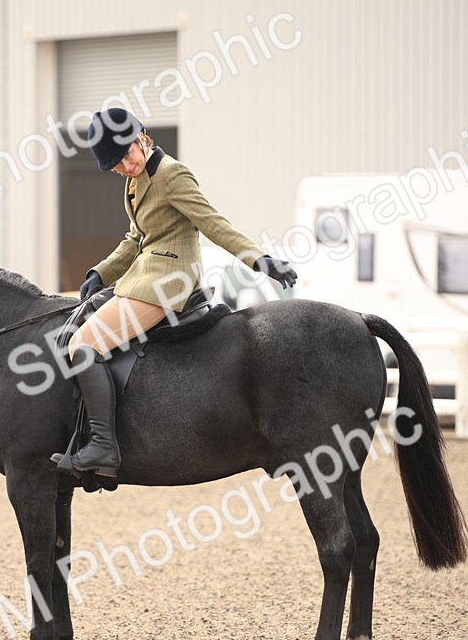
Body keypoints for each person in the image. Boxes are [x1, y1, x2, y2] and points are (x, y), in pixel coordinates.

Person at [54, 107, 297, 478]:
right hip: (142, 276)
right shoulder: (135, 181)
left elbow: (213, 223)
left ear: (141, 138)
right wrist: (99, 274)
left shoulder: (171, 174)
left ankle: (103, 447)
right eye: (116, 164)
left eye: (126, 155)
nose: (123, 165)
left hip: (168, 282)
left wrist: (260, 261)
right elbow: (135, 238)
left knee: (84, 347)